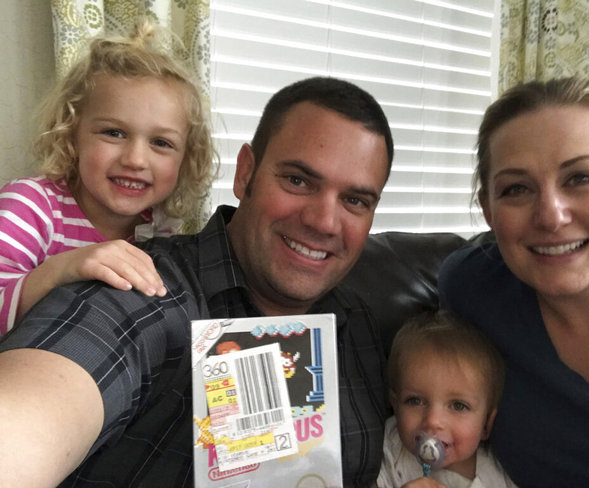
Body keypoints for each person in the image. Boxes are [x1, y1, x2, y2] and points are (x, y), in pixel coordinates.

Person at [0, 75, 393, 487]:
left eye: (355, 200)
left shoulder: (360, 324)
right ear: (246, 174)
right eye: (297, 180)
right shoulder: (139, 291)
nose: (324, 221)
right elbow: (36, 407)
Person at [439, 77, 589, 486]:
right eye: (516, 189)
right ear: (488, 210)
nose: (551, 216)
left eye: (580, 178)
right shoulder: (472, 288)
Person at [0, 20, 215, 335]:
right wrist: (63, 269)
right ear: (72, 135)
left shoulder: (160, 228)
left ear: (185, 160)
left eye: (161, 143)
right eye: (114, 133)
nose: (135, 159)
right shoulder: (30, 207)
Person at [375, 309, 516, 488]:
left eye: (458, 406)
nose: (433, 421)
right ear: (395, 404)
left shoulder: (499, 473)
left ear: (486, 424)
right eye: (415, 401)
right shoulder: (389, 450)